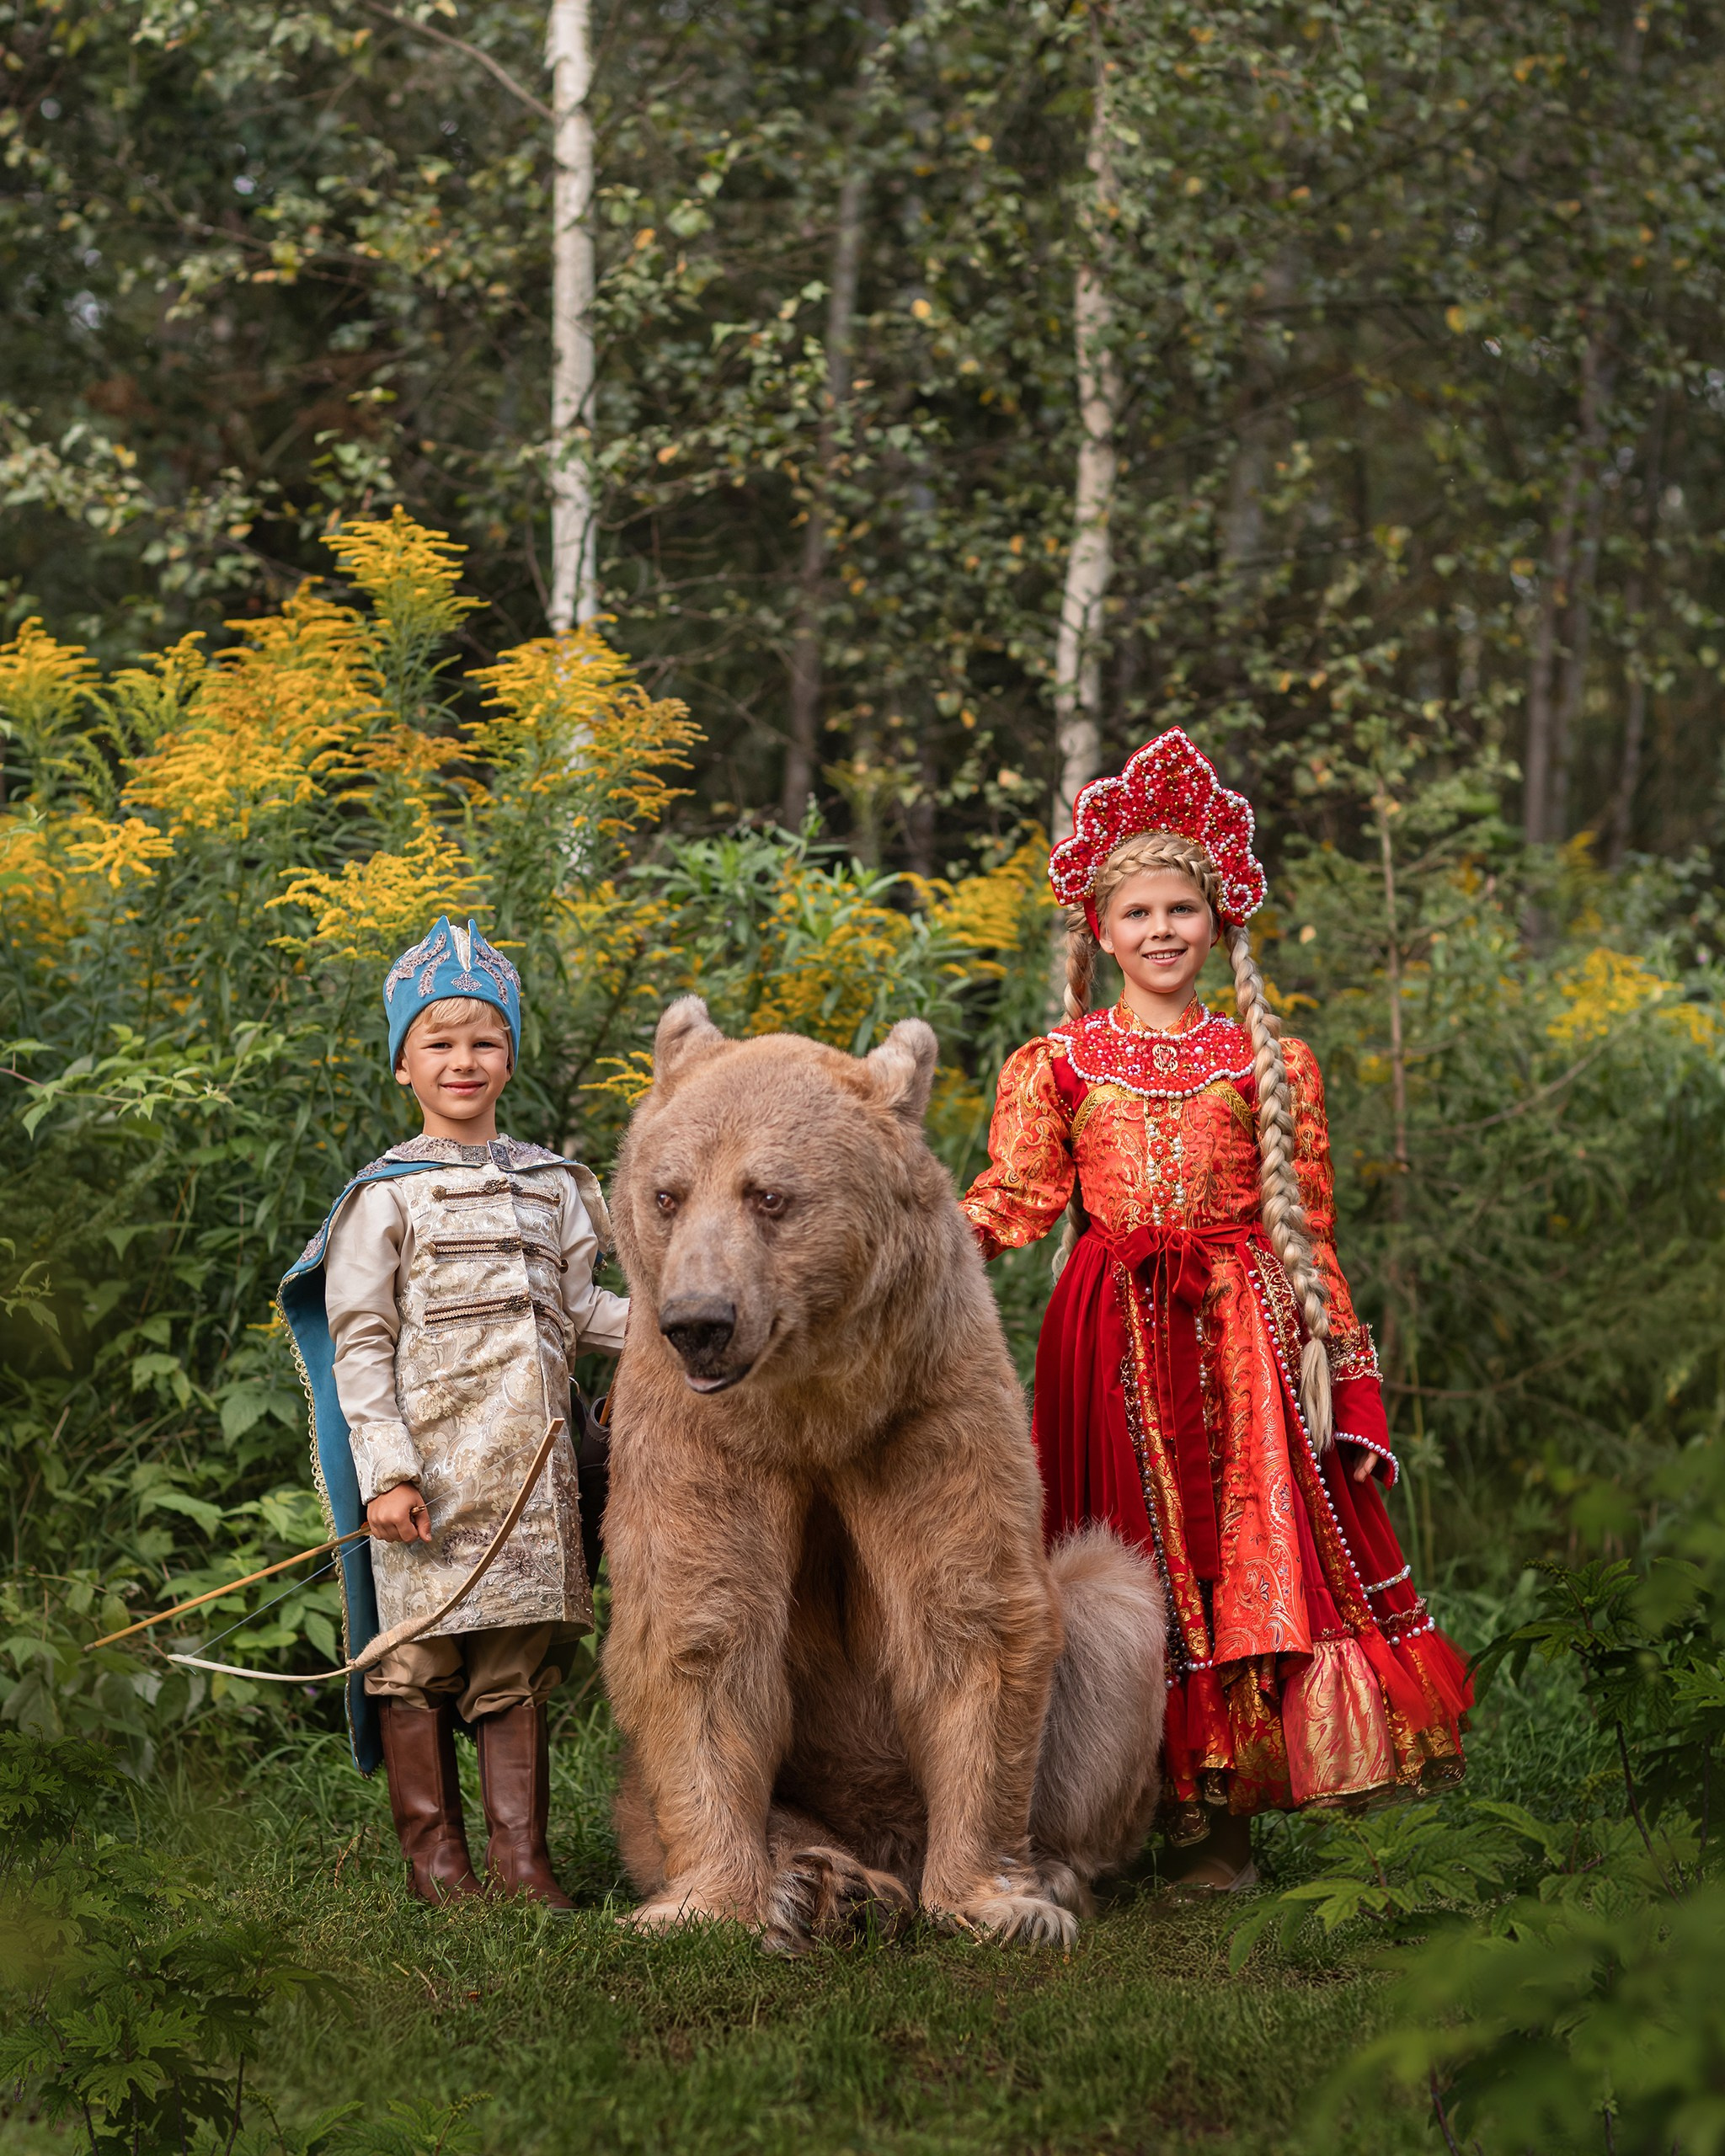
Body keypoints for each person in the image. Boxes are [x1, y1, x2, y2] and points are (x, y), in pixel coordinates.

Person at [959, 733, 1468, 1889]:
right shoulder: (1059, 1063)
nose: (1160, 933)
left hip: (1243, 1339)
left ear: (1218, 922)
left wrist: (1343, 1360)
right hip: (1108, 1337)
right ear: (1100, 929)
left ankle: (1222, 1828)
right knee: (1127, 1559)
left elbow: (1313, 1228)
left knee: (1243, 1570)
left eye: (1182, 910)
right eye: (1137, 913)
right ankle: (1109, 1816)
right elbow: (1017, 1197)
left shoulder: (1268, 1061)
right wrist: (906, 1242)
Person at [278, 917, 627, 1908]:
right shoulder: (382, 1199)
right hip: (426, 1474)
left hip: (528, 1467)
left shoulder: (551, 1184)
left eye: (483, 1040)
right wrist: (384, 1472)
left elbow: (580, 1309)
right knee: (418, 1659)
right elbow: (361, 1342)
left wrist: (682, 1330)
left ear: (509, 1053)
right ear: (403, 1063)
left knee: (513, 1659)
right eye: (438, 1041)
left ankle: (523, 1867)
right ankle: (438, 1867)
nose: (462, 1060)